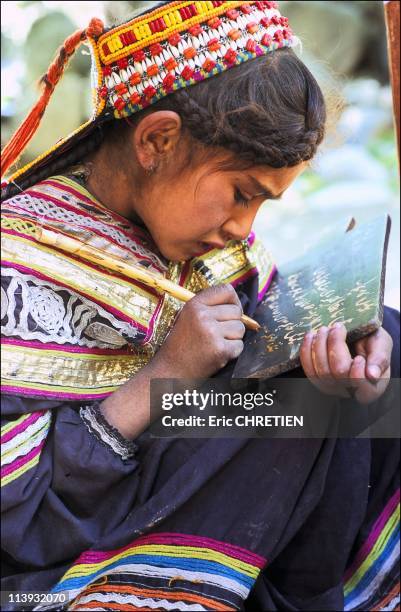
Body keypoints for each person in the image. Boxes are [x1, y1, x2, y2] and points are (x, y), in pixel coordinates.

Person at [1, 1, 399, 610]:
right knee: (276, 416)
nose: (244, 228)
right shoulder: (18, 267)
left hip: (201, 492)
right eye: (242, 194)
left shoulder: (202, 246)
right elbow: (15, 508)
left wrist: (347, 364)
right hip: (67, 554)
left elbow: (270, 341)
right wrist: (167, 375)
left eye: (264, 206)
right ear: (157, 139)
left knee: (380, 350)